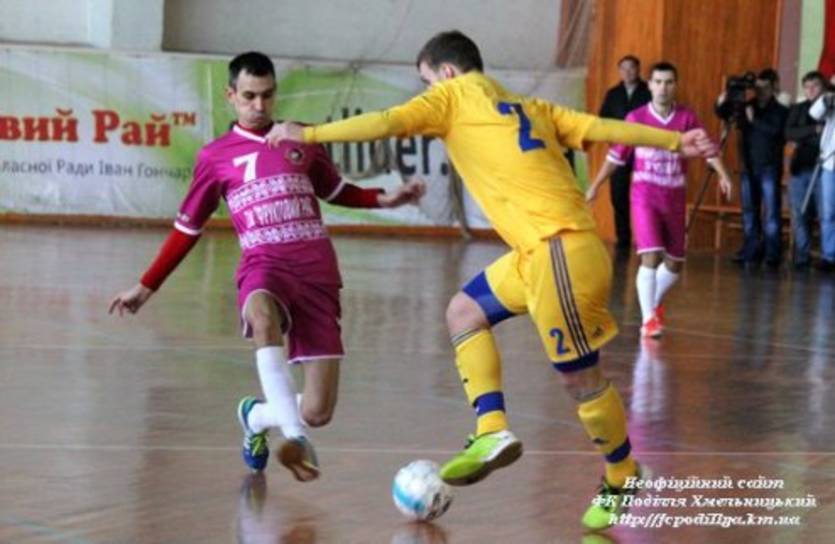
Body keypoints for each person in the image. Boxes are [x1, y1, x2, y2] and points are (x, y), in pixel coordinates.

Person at [266, 30, 717, 530]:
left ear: (447, 72)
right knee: (464, 312)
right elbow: (598, 126)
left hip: (558, 251)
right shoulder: (528, 106)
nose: (427, 92)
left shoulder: (452, 97)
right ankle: (491, 429)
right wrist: (675, 140)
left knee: (580, 378)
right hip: (537, 254)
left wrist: (308, 134)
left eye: (427, 81)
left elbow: (388, 121)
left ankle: (622, 473)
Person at [109, 51, 424, 481]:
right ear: (231, 95)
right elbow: (187, 228)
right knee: (261, 315)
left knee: (318, 411)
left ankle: (256, 416)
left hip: (316, 271)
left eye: (267, 95)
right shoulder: (215, 157)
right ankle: (295, 439)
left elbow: (336, 190)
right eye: (249, 96)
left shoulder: (301, 137)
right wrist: (146, 286)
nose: (259, 106)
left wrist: (384, 199)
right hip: (264, 264)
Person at [587, 62, 732, 338]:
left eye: (668, 82)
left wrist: (724, 175)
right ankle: (648, 320)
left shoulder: (687, 118)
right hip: (645, 197)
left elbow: (708, 149)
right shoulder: (636, 118)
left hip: (674, 198)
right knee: (650, 256)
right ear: (650, 85)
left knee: (674, 264)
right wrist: (595, 186)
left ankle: (651, 304)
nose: (663, 88)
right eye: (658, 82)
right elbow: (615, 157)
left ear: (675, 86)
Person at [717, 69, 789, 267]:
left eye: (764, 88)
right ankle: (751, 249)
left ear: (773, 87)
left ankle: (772, 253)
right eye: (757, 88)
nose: (760, 92)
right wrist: (724, 99)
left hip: (769, 166)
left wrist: (753, 121)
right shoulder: (748, 105)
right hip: (747, 165)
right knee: (749, 211)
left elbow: (776, 132)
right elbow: (724, 114)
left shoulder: (780, 110)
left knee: (771, 212)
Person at [598, 55, 652, 253]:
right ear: (619, 71)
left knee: (645, 196)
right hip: (619, 151)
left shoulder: (649, 91)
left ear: (638, 70)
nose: (628, 72)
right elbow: (603, 119)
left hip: (644, 151)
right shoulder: (613, 94)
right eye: (624, 68)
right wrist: (612, 139)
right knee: (618, 195)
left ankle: (647, 239)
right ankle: (623, 240)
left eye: (632, 68)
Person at [786, 71, 826, 270]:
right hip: (800, 168)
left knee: (826, 214)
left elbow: (825, 139)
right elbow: (789, 132)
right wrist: (813, 130)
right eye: (807, 87)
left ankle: (828, 257)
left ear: (823, 87)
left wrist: (803, 137)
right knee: (798, 213)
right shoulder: (798, 109)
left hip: (824, 170)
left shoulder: (829, 108)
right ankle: (802, 257)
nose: (810, 90)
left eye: (815, 86)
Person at [808, 78, 835, 271]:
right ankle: (829, 255)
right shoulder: (830, 99)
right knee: (828, 212)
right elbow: (814, 113)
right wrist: (827, 97)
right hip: (830, 164)